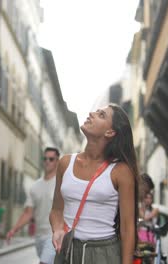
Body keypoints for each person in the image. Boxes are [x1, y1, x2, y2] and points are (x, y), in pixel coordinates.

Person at [50, 104, 139, 264]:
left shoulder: (121, 171)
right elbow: (56, 210)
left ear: (110, 132)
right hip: (67, 251)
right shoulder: (65, 163)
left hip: (103, 254)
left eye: (101, 115)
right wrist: (57, 229)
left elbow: (127, 228)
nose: (91, 113)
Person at [6, 147, 60, 264]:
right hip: (39, 236)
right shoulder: (35, 186)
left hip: (55, 235)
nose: (47, 161)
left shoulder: (61, 183)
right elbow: (28, 213)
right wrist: (13, 230)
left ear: (57, 161)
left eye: (51, 159)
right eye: (45, 158)